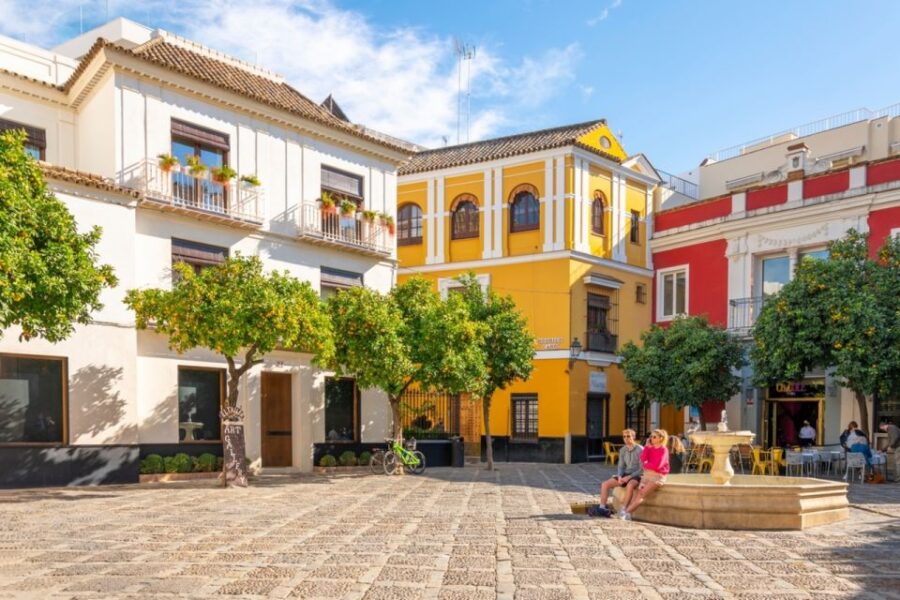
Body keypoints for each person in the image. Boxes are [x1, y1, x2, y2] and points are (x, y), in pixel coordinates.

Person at [620, 429, 670, 521]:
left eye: (654, 437)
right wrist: (647, 447)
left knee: (642, 494)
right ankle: (627, 514)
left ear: (660, 438)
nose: (651, 438)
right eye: (651, 436)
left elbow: (657, 465)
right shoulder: (650, 448)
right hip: (647, 475)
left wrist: (646, 464)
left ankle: (626, 512)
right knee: (638, 494)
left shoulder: (663, 449)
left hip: (657, 476)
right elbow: (642, 458)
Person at [594, 429, 643, 517]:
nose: (626, 438)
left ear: (634, 437)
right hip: (625, 474)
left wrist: (629, 477)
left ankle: (623, 510)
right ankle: (602, 508)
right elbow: (621, 466)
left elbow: (642, 469)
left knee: (630, 485)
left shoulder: (640, 449)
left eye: (628, 436)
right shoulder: (622, 450)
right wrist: (620, 476)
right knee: (605, 484)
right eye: (624, 437)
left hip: (637, 475)